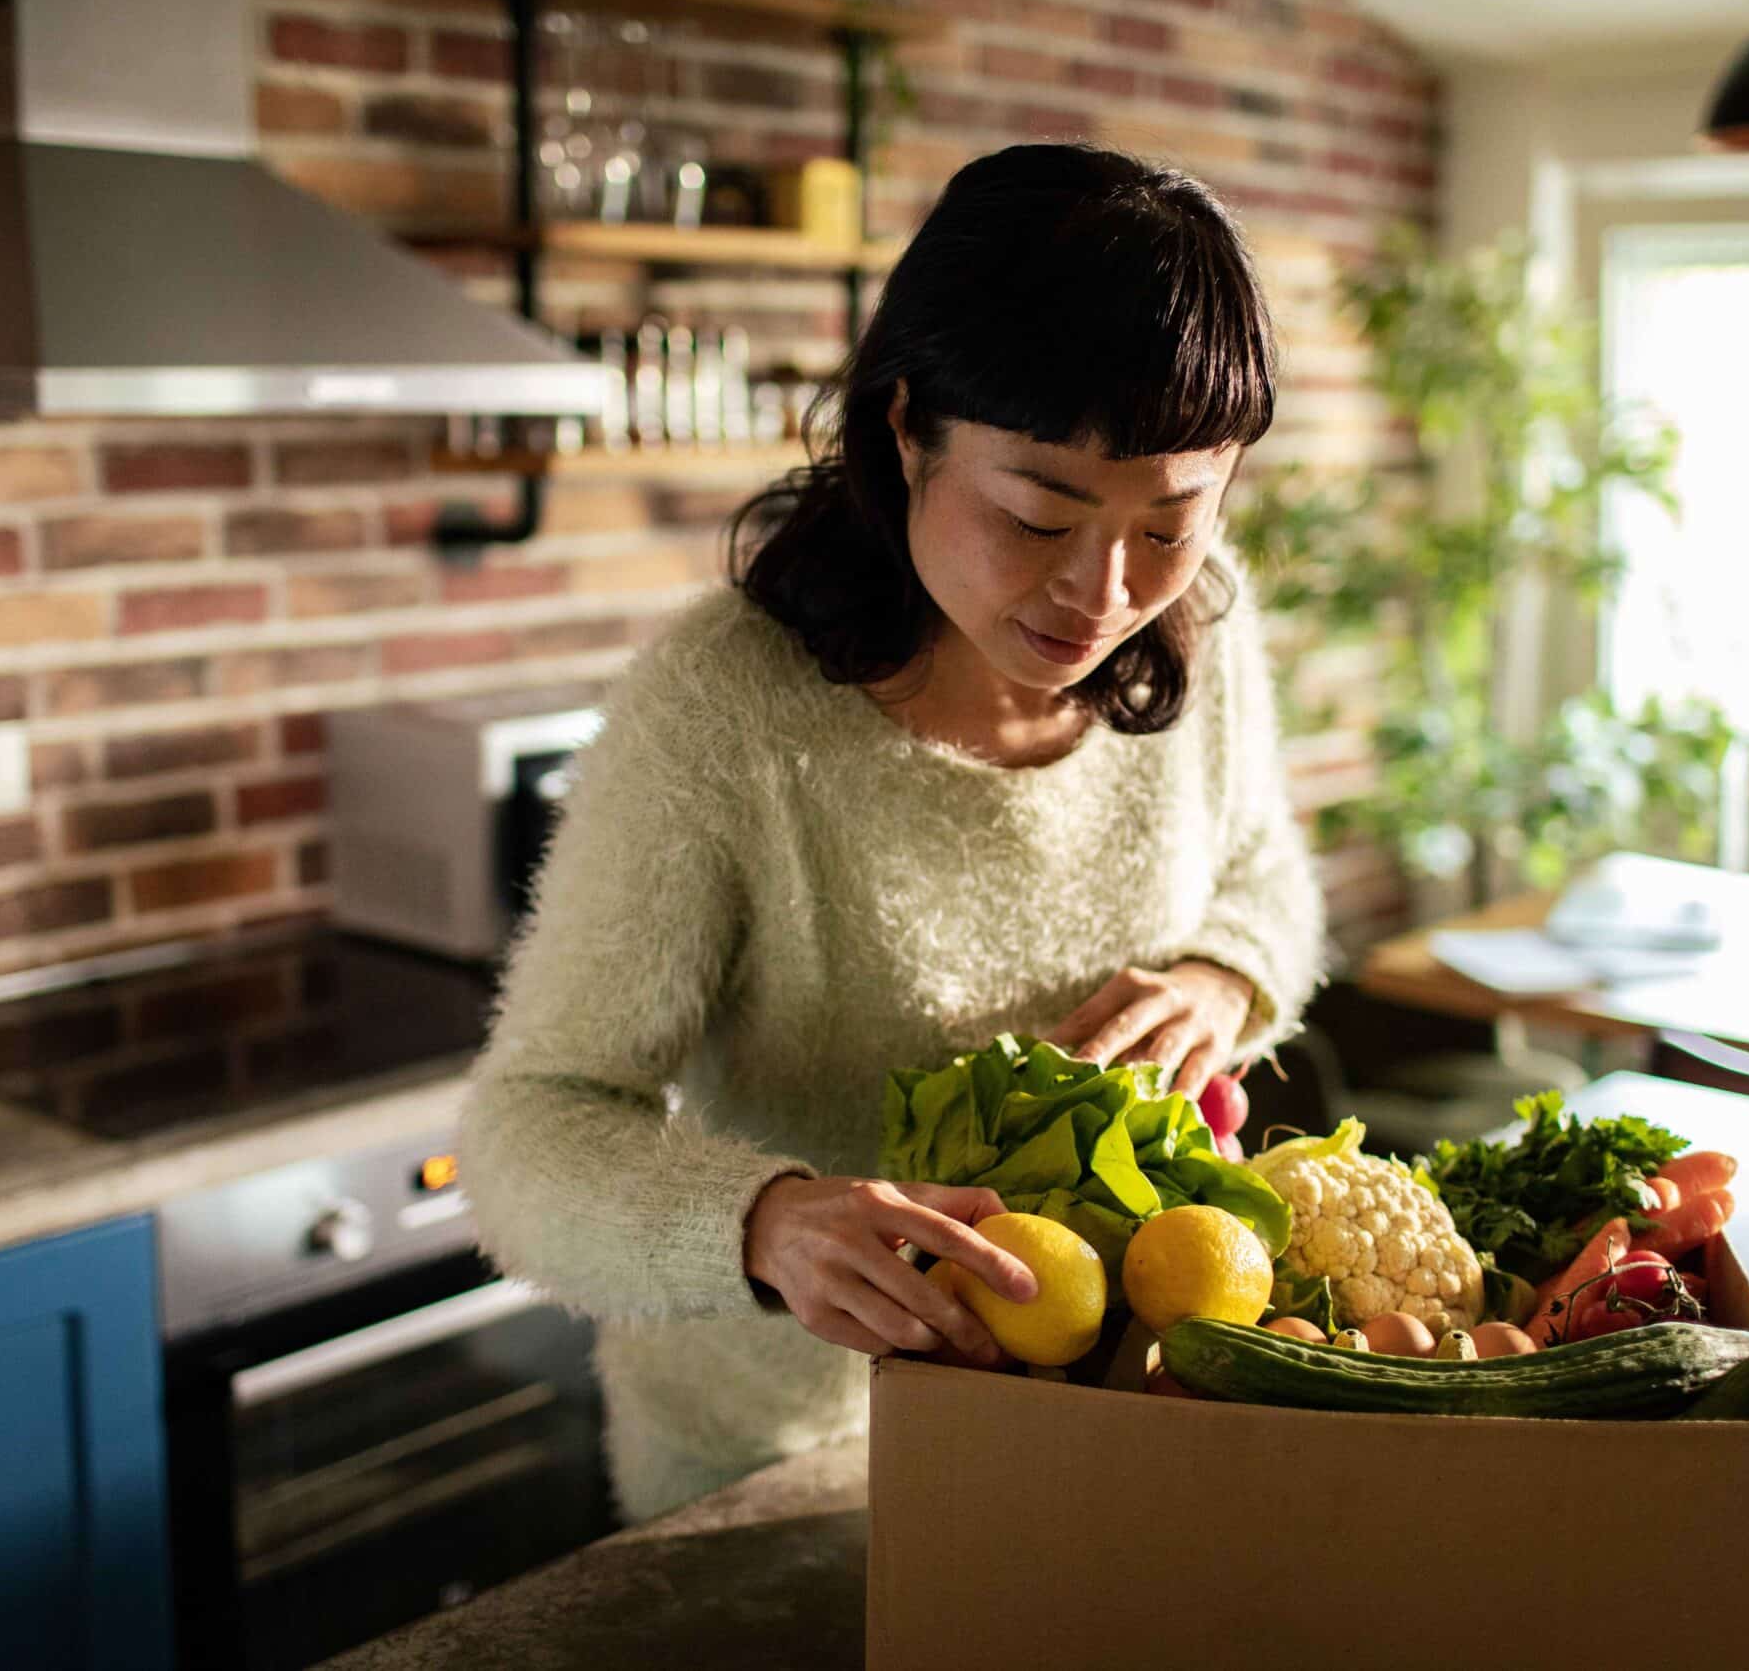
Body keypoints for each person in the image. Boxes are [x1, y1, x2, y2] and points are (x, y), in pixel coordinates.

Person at [462, 142, 1330, 1523]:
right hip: (782, 1467)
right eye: (1038, 515)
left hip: (1119, 1421)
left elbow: (1265, 876)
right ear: (908, 428)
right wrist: (762, 1224)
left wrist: (1225, 979)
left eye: (1170, 522)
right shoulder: (727, 706)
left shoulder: (1204, 629)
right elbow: (527, 1131)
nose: (1103, 592)